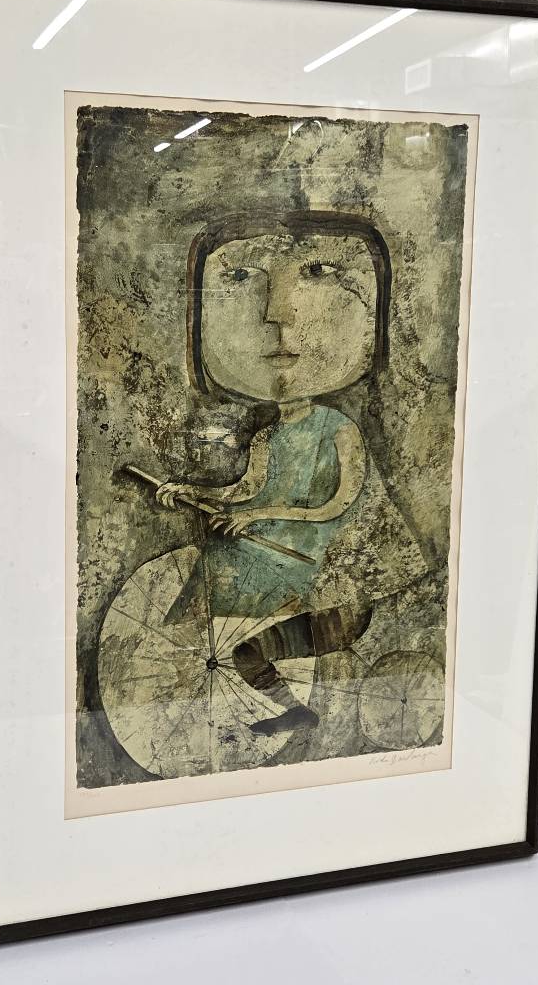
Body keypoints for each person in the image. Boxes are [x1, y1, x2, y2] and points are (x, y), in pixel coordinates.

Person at [155, 211, 425, 736]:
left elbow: (339, 504)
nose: (277, 317)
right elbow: (245, 489)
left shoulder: (338, 428)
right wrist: (188, 489)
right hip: (289, 576)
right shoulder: (267, 437)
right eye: (240, 278)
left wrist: (265, 515)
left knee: (318, 645)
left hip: (334, 584)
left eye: (318, 273)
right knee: (244, 652)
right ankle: (295, 712)